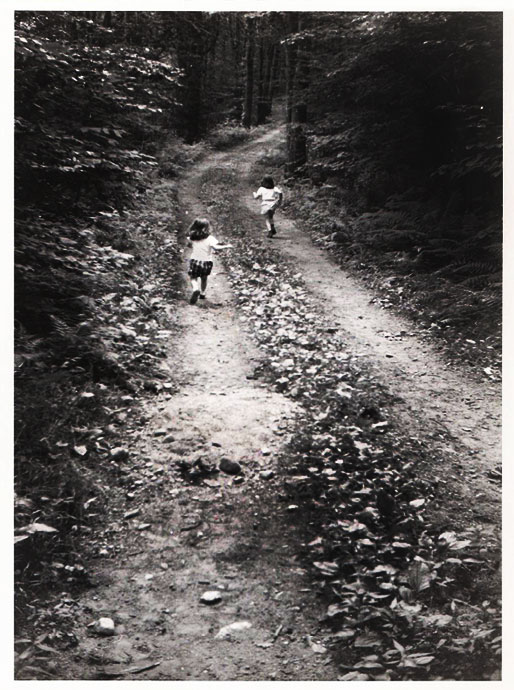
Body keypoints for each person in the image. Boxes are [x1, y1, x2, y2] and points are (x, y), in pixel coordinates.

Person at [186, 218, 232, 304]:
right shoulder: (210, 238)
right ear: (206, 228)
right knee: (204, 279)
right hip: (207, 262)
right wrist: (226, 246)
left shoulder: (192, 237)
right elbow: (216, 248)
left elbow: (189, 246)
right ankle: (202, 293)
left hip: (195, 261)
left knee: (193, 277)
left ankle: (195, 288)